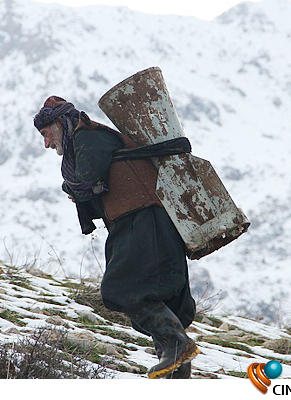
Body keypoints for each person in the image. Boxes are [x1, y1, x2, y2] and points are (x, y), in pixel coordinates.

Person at [34, 95, 198, 379]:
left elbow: (86, 182)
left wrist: (69, 186)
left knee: (121, 288)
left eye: (46, 134)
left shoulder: (88, 138)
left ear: (60, 123)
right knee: (165, 300)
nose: (46, 144)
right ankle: (177, 373)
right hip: (152, 222)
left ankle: (176, 345)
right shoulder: (90, 139)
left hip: (143, 221)